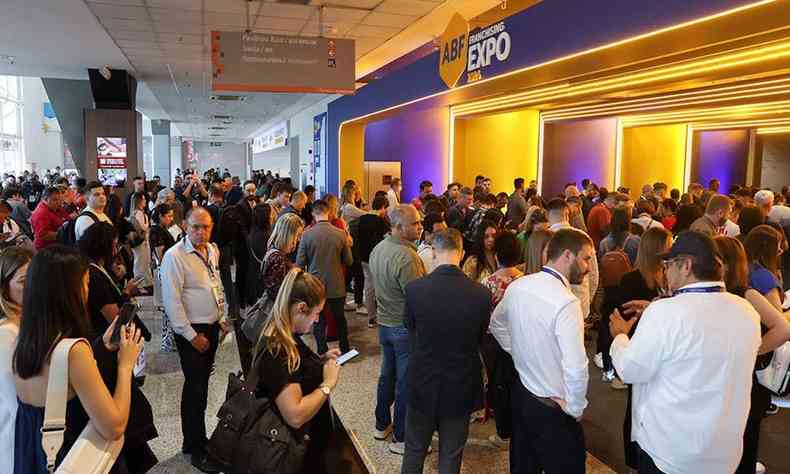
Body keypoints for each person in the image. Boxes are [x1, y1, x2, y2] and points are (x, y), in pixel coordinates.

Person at [609, 230, 761, 474]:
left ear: (686, 266)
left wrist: (619, 336)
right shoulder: (747, 311)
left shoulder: (665, 314)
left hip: (671, 451)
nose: (665, 272)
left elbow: (629, 369)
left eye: (668, 265)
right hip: (723, 451)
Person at [13, 246, 143, 473]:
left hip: (37, 459)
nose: (86, 292)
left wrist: (101, 344)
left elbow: (62, 380)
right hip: (74, 459)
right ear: (68, 292)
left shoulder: (21, 343)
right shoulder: (74, 353)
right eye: (84, 284)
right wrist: (125, 365)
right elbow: (114, 426)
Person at [490, 228, 593, 473]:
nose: (589, 266)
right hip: (553, 410)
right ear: (567, 255)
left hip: (523, 395)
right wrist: (575, 408)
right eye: (586, 258)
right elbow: (576, 367)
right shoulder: (567, 302)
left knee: (523, 466)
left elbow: (496, 323)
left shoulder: (519, 286)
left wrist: (518, 353)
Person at [401, 229, 491, 473]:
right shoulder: (481, 294)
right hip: (460, 382)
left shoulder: (414, 289)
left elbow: (410, 329)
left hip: (422, 379)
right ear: (461, 253)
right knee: (451, 455)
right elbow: (480, 336)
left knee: (414, 450)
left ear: (433, 251)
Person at [160, 207, 231, 471]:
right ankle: (194, 446)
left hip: (211, 326)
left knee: (201, 385)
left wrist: (222, 316)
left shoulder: (212, 250)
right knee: (195, 388)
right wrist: (191, 336)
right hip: (192, 331)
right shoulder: (174, 256)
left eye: (206, 227)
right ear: (184, 227)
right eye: (196, 227)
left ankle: (197, 439)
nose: (201, 232)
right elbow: (172, 302)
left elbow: (216, 283)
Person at [713, 236, 790, 474]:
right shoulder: (715, 292)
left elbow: (784, 329)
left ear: (726, 263)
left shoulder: (746, 294)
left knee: (743, 437)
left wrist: (751, 352)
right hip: (722, 379)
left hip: (746, 381)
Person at [254, 268, 341, 474]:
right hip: (296, 454)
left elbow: (294, 374)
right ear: (301, 308)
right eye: (316, 313)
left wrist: (319, 362)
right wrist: (327, 384)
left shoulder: (284, 332)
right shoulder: (278, 349)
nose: (317, 320)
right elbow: (295, 414)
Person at [369, 204, 426, 454]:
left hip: (384, 323)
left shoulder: (378, 249)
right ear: (400, 228)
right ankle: (402, 438)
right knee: (404, 383)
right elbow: (417, 299)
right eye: (415, 223)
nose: (420, 225)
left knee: (387, 377)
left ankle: (382, 424)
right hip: (404, 328)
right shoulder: (407, 257)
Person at [481, 231, 524, 448]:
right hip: (521, 338)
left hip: (493, 341)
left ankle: (503, 432)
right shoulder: (525, 280)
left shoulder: (489, 282)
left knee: (498, 384)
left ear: (496, 254)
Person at [296, 199, 353, 356]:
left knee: (318, 319)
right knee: (340, 318)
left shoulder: (307, 235)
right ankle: (345, 347)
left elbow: (300, 263)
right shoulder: (340, 234)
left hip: (315, 284)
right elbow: (349, 260)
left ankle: (322, 349)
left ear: (314, 214)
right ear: (328, 212)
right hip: (337, 284)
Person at [0, 247, 32, 474]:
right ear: (4, 287)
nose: (31, 287)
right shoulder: (7, 334)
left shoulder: (26, 324)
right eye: (23, 281)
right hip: (15, 442)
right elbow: (17, 400)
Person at [547, 198, 599, 320]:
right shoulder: (583, 237)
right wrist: (587, 299)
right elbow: (593, 274)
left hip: (551, 306)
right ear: (567, 213)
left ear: (547, 214)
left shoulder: (545, 237)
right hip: (580, 303)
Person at [357, 195, 390, 328]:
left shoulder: (362, 218)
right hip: (377, 257)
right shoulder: (380, 221)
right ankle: (382, 315)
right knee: (381, 286)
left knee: (369, 286)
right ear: (383, 207)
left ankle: (371, 317)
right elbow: (387, 239)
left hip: (363, 256)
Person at [149, 203, 178, 353]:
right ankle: (167, 341)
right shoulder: (156, 231)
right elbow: (160, 255)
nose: (171, 219)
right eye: (168, 216)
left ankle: (169, 340)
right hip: (165, 270)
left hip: (167, 269)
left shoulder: (160, 230)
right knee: (168, 307)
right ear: (160, 216)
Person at [744, 225, 784, 310]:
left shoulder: (741, 268)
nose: (780, 253)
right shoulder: (764, 277)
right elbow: (778, 318)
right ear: (767, 254)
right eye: (778, 251)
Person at [30, 186, 67, 251]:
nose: (58, 202)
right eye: (54, 200)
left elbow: (67, 218)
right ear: (45, 199)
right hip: (47, 250)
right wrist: (64, 234)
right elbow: (43, 235)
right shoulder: (40, 213)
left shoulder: (56, 207)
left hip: (58, 245)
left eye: (59, 199)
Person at [129, 192, 153, 288]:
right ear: (139, 201)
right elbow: (143, 227)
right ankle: (140, 284)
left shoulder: (137, 212)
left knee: (143, 263)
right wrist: (148, 225)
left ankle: (145, 282)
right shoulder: (138, 213)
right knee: (141, 263)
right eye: (143, 199)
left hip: (142, 241)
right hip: (141, 242)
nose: (145, 201)